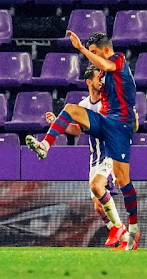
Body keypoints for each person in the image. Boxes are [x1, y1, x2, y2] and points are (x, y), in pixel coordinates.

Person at [25, 32, 141, 250]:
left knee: (121, 184)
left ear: (106, 51)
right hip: (106, 128)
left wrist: (81, 48)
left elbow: (107, 70)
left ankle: (132, 230)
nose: (94, 58)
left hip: (119, 129)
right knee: (69, 108)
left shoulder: (118, 61)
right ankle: (45, 145)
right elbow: (77, 130)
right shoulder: (100, 89)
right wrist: (60, 121)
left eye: (96, 53)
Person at [44, 65, 125, 248]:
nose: (102, 82)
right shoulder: (83, 106)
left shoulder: (109, 102)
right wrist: (59, 123)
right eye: (99, 78)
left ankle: (118, 228)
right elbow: (77, 131)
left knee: (97, 186)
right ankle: (126, 237)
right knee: (98, 206)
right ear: (89, 82)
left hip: (111, 152)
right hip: (95, 158)